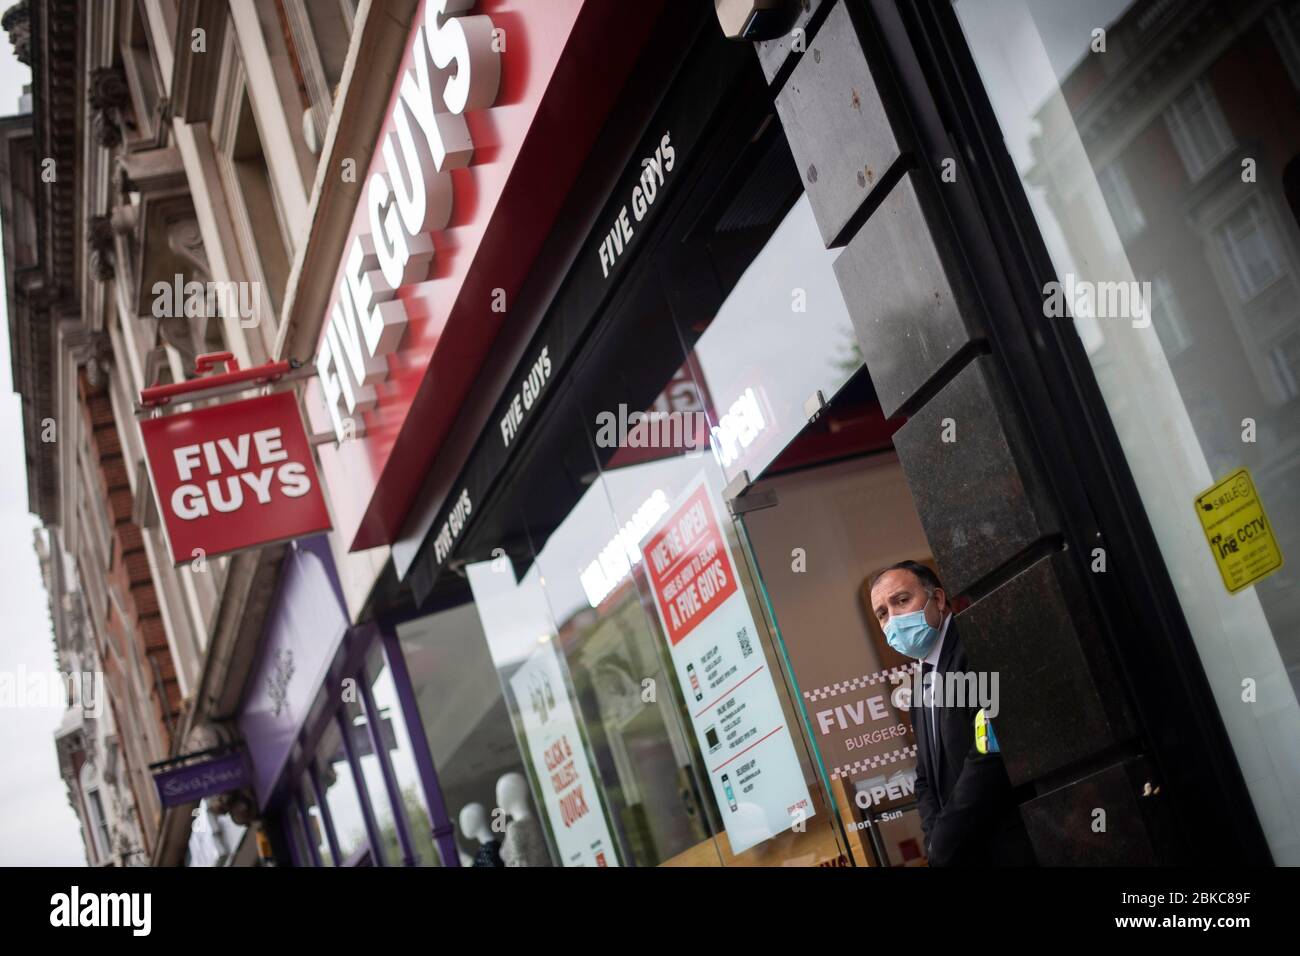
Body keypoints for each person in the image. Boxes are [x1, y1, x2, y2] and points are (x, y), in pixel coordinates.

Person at [868, 560, 1036, 866]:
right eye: (882, 614)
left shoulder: (973, 646)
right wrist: (933, 841)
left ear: (939, 599)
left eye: (902, 601)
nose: (893, 620)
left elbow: (988, 751)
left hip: (1014, 845)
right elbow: (924, 778)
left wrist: (944, 841)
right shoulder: (919, 686)